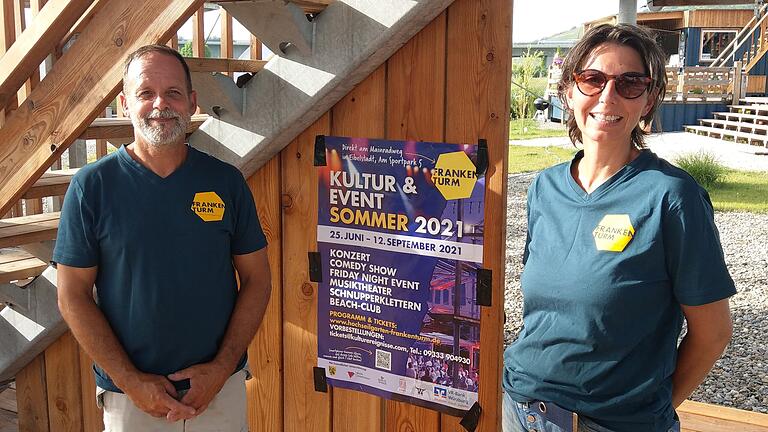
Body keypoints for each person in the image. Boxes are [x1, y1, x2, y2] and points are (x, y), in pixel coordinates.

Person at [502, 24, 735, 432]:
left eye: (630, 83)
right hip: (519, 408)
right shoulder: (546, 187)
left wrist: (645, 412)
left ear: (647, 101)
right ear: (569, 91)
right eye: (592, 79)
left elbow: (713, 333)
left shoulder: (671, 197)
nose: (608, 96)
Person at [54, 44, 272, 431]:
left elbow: (257, 279)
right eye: (145, 93)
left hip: (219, 391)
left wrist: (221, 369)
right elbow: (72, 294)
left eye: (172, 93)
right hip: (131, 400)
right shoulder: (93, 187)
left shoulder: (226, 182)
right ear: (124, 104)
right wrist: (131, 382)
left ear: (191, 102)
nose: (160, 104)